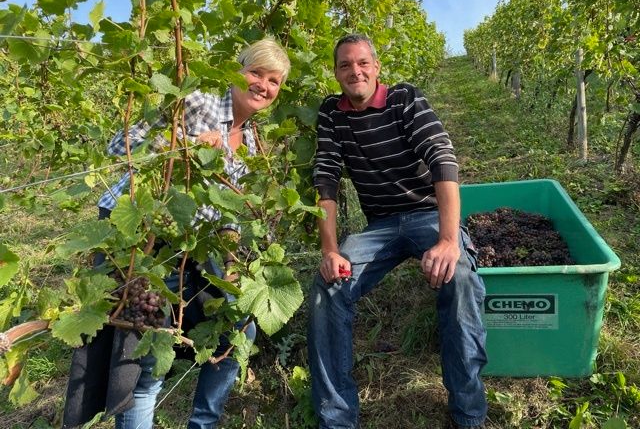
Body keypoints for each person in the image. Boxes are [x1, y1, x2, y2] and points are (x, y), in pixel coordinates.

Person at [62, 38, 291, 429]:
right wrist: (184, 147)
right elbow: (122, 145)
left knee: (239, 328)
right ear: (236, 70)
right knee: (146, 354)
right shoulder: (197, 101)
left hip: (193, 245)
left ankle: (201, 423)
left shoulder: (253, 142)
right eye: (256, 73)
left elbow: (227, 206)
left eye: (273, 81)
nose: (263, 86)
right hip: (143, 236)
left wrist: (234, 254)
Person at [308, 34, 487, 429]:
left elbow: (442, 156)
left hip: (426, 213)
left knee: (459, 276)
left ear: (376, 67)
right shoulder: (331, 113)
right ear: (336, 72)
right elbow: (326, 179)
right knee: (328, 284)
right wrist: (331, 250)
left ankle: (469, 412)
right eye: (345, 65)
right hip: (381, 227)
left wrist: (447, 239)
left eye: (363, 63)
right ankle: (336, 418)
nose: (355, 71)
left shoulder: (404, 98)